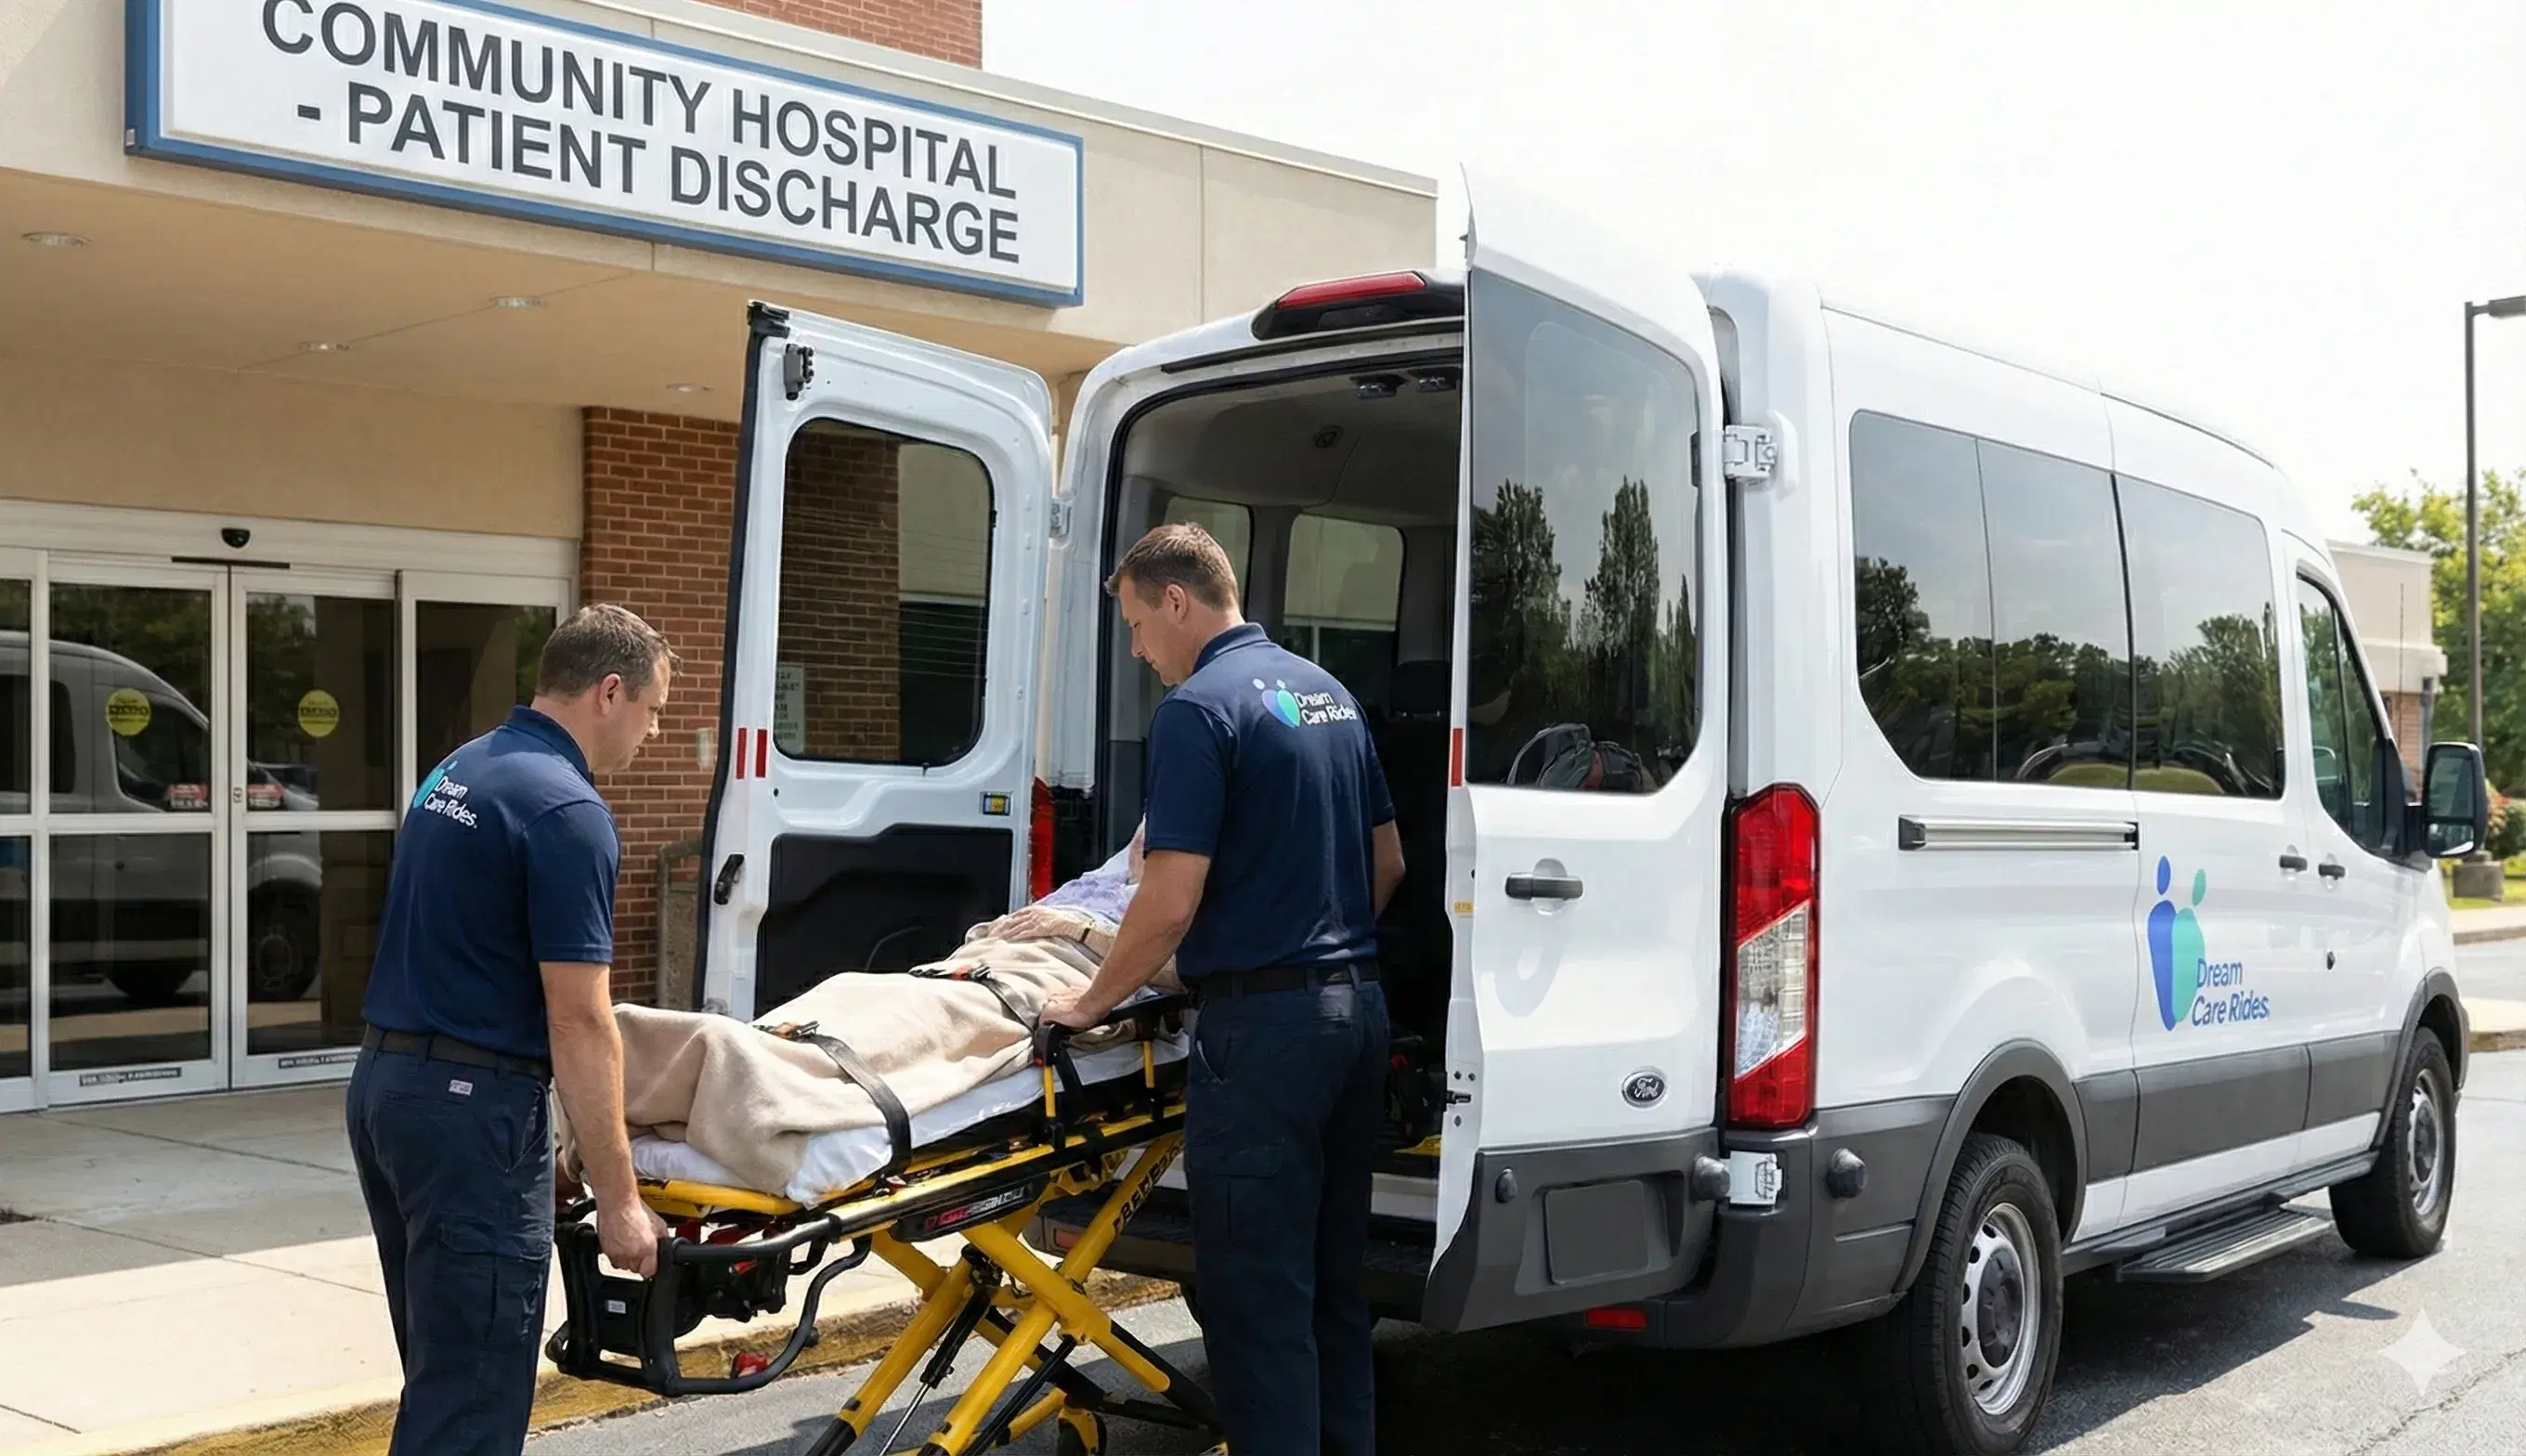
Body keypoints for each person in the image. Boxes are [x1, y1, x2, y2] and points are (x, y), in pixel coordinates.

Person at [1045, 524, 1404, 1456]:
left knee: (1255, 1298)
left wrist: (1087, 1003)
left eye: (1134, 623)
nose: (1135, 649)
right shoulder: (1327, 695)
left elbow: (1166, 900)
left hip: (1264, 1038)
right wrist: (1314, 931)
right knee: (1332, 1285)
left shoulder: (1198, 710)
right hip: (1355, 1013)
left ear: (1175, 600)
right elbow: (1388, 862)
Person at [347, 604, 677, 1456]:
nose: (653, 732)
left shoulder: (462, 769)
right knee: (470, 1406)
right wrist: (620, 1201)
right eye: (652, 711)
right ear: (610, 692)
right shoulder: (567, 810)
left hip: (391, 1093)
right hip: (470, 1112)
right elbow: (579, 1020)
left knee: (442, 1377)